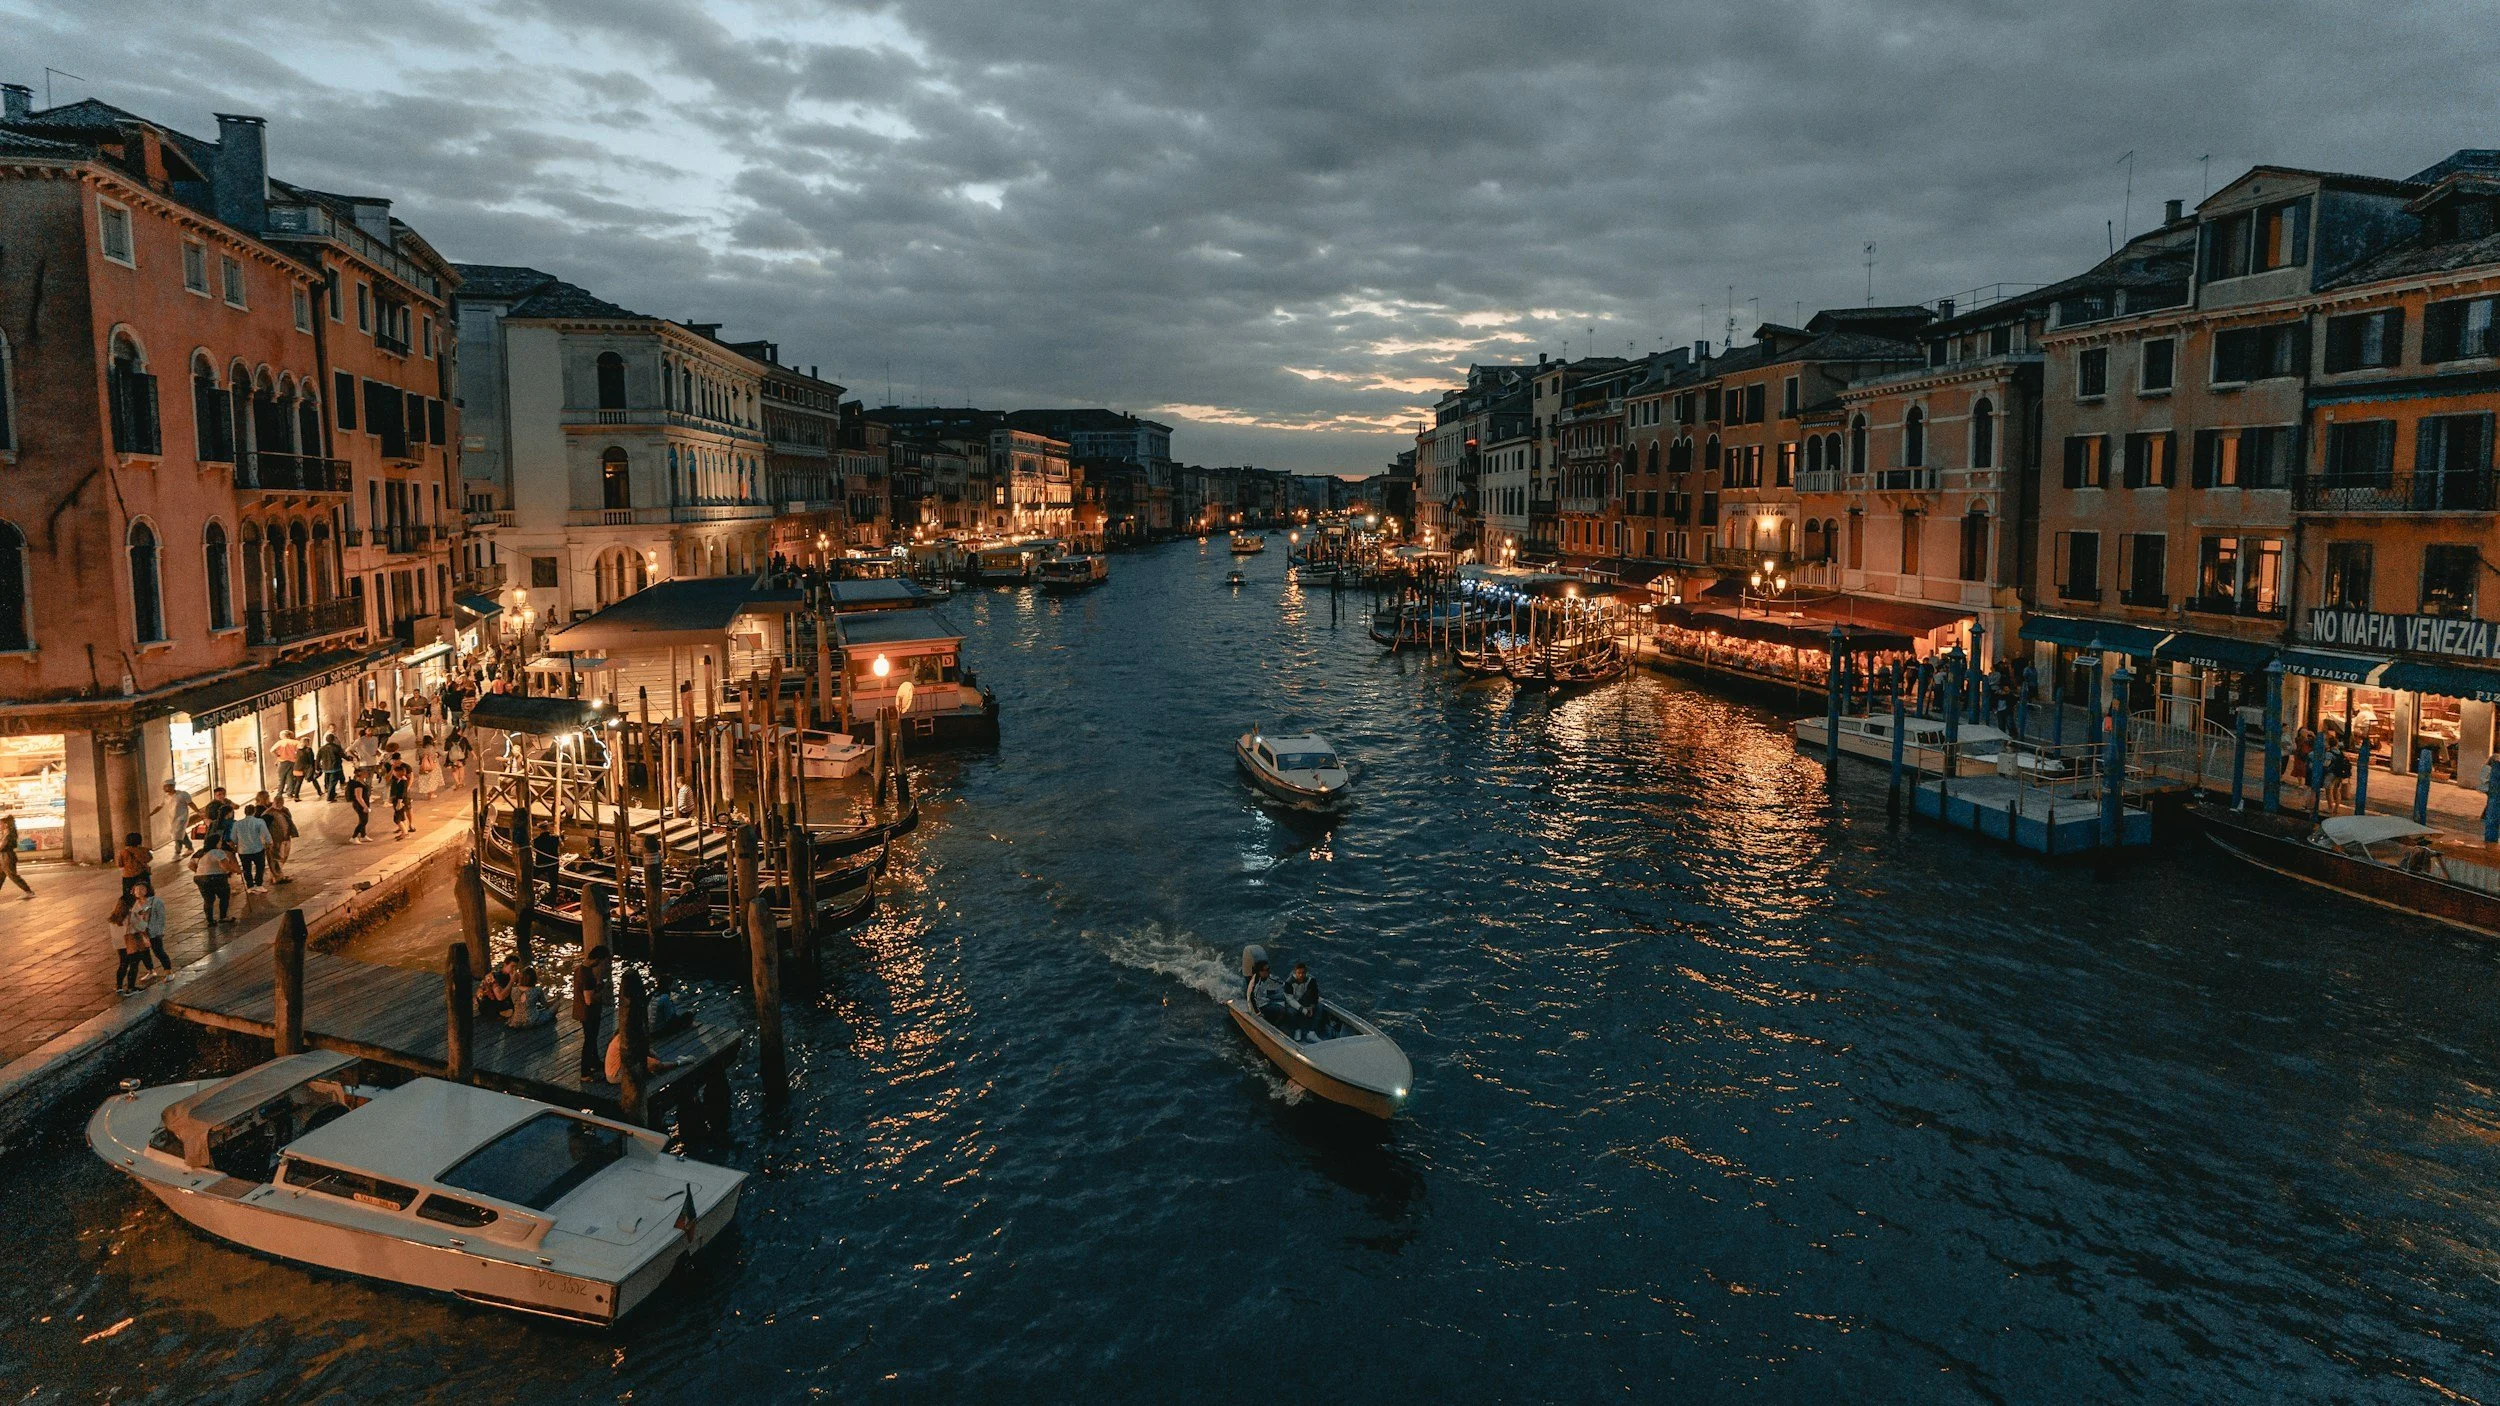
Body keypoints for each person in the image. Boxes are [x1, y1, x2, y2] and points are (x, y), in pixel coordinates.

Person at [573, 947, 612, 1079]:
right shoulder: (587, 975)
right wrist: (601, 991)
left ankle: (594, 1062)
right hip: (589, 1013)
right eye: (600, 962)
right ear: (596, 959)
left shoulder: (579, 969)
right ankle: (585, 1072)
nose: (600, 965)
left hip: (581, 1010)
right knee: (589, 1040)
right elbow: (589, 1000)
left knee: (592, 1038)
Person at [604, 1029, 682, 1085]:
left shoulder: (619, 1037)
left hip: (613, 1072)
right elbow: (654, 1062)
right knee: (655, 1065)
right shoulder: (625, 1042)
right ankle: (680, 1062)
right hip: (616, 1076)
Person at [190, 840, 238, 924]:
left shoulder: (199, 852)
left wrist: (201, 872)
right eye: (219, 841)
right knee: (224, 896)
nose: (220, 843)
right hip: (217, 877)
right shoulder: (218, 852)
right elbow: (226, 866)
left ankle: (210, 921)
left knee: (208, 899)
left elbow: (190, 865)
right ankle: (223, 917)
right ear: (215, 843)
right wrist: (236, 870)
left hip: (200, 878)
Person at [231, 805, 273, 892]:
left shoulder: (237, 824)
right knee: (260, 867)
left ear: (245, 812)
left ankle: (250, 886)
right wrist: (269, 843)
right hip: (257, 848)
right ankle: (259, 884)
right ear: (254, 812)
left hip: (243, 850)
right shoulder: (259, 822)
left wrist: (235, 846)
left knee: (246, 868)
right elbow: (265, 834)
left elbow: (233, 838)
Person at [129, 881, 169, 972]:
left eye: (142, 889)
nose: (139, 891)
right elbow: (134, 919)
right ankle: (150, 971)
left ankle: (168, 970)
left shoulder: (156, 901)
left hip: (154, 932)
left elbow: (161, 918)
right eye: (137, 890)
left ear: (148, 890)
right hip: (141, 933)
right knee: (144, 953)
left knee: (158, 952)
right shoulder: (135, 904)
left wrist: (160, 931)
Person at [111, 895, 145, 993]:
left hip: (119, 945)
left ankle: (119, 986)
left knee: (123, 964)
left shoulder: (114, 917)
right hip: (131, 943)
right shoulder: (130, 916)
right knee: (134, 965)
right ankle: (131, 987)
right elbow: (140, 927)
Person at [1283, 960, 1322, 1040]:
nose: (1301, 975)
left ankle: (1311, 1032)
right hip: (1293, 1002)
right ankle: (1297, 1029)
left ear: (1306, 973)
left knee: (1319, 1007)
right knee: (1291, 1012)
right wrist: (1303, 1009)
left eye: (1303, 973)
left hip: (1303, 1000)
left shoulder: (1311, 980)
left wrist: (1311, 1006)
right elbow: (1290, 1000)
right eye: (1299, 973)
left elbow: (1315, 994)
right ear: (1295, 973)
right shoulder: (1288, 983)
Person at [264, 794, 298, 884]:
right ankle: (277, 877)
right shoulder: (268, 813)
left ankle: (276, 875)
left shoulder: (285, 810)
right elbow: (263, 827)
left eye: (281, 802)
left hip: (285, 838)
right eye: (277, 802)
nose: (279, 804)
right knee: (275, 858)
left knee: (283, 857)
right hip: (275, 840)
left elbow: (289, 821)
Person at [161, 781, 196, 857]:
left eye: (166, 786)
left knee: (177, 834)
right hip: (173, 819)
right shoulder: (166, 797)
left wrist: (198, 811)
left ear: (172, 786)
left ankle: (178, 851)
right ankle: (189, 847)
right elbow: (160, 806)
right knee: (180, 833)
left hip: (182, 817)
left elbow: (190, 803)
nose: (164, 788)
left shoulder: (182, 795)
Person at [0, 812, 31, 899]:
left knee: (12, 875)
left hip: (7, 857)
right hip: (3, 856)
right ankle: (28, 891)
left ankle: (28, 891)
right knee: (0, 876)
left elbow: (2, 846)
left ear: (5, 824)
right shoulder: (5, 833)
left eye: (0, 824)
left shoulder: (9, 834)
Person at [114, 831, 150, 897]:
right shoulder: (144, 850)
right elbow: (149, 859)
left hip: (128, 876)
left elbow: (119, 864)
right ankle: (148, 907)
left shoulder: (123, 852)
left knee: (127, 897)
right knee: (146, 895)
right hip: (142, 874)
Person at [317, 732, 348, 801]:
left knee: (328, 782)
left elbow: (318, 759)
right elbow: (343, 755)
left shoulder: (322, 748)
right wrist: (349, 759)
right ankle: (330, 797)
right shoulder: (336, 747)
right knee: (333, 782)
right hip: (335, 767)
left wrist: (317, 768)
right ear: (333, 739)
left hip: (325, 768)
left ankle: (332, 794)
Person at [345, 768, 373, 843]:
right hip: (359, 805)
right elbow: (358, 797)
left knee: (363, 819)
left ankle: (363, 835)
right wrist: (365, 806)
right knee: (364, 821)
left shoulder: (362, 781)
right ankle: (354, 836)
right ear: (361, 774)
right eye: (365, 772)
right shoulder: (358, 784)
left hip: (364, 803)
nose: (367, 773)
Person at [388, 760, 414, 839]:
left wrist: (399, 802)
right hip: (397, 800)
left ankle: (405, 832)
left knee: (397, 818)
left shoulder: (402, 781)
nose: (393, 773)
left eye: (395, 772)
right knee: (402, 817)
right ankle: (405, 832)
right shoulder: (397, 780)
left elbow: (401, 793)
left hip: (400, 801)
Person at [416, 734, 441, 798]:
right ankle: (432, 793)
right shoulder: (432, 747)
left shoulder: (419, 748)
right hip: (433, 764)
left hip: (423, 765)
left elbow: (417, 758)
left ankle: (428, 793)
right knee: (432, 779)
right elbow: (437, 755)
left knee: (425, 779)